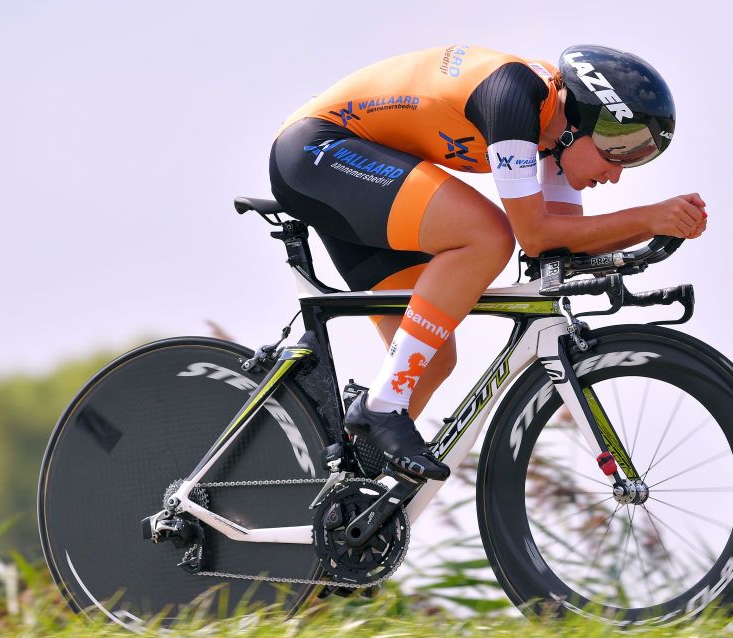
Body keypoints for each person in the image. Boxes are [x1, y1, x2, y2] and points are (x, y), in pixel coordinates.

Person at [269, 44, 707, 481]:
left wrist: (655, 232)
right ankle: (381, 406)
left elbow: (567, 242)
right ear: (585, 122)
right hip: (317, 151)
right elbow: (534, 236)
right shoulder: (515, 97)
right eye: (617, 151)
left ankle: (336, 495)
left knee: (433, 359)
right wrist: (649, 216)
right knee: (487, 235)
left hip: (361, 176)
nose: (616, 173)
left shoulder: (554, 138)